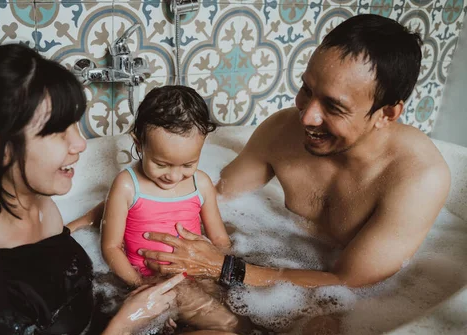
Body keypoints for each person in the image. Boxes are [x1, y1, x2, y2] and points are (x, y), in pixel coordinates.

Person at [0, 43, 261, 335]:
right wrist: (127, 322)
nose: (80, 144)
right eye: (59, 132)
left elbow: (54, 278)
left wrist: (98, 217)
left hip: (121, 324)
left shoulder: (34, 204)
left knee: (252, 334)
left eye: (75, 126)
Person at [136, 14, 451, 289]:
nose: (306, 116)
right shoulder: (282, 131)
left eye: (333, 106)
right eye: (307, 90)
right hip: (276, 262)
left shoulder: (418, 178)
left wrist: (222, 267)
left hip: (359, 300)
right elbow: (218, 197)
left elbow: (346, 285)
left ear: (387, 114)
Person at [101, 86, 270, 335]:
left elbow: (220, 241)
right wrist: (139, 286)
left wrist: (214, 267)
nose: (174, 175)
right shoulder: (127, 185)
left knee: (245, 307)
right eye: (161, 164)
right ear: (139, 144)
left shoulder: (200, 185)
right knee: (229, 324)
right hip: (154, 278)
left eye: (188, 164)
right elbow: (111, 247)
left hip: (199, 268)